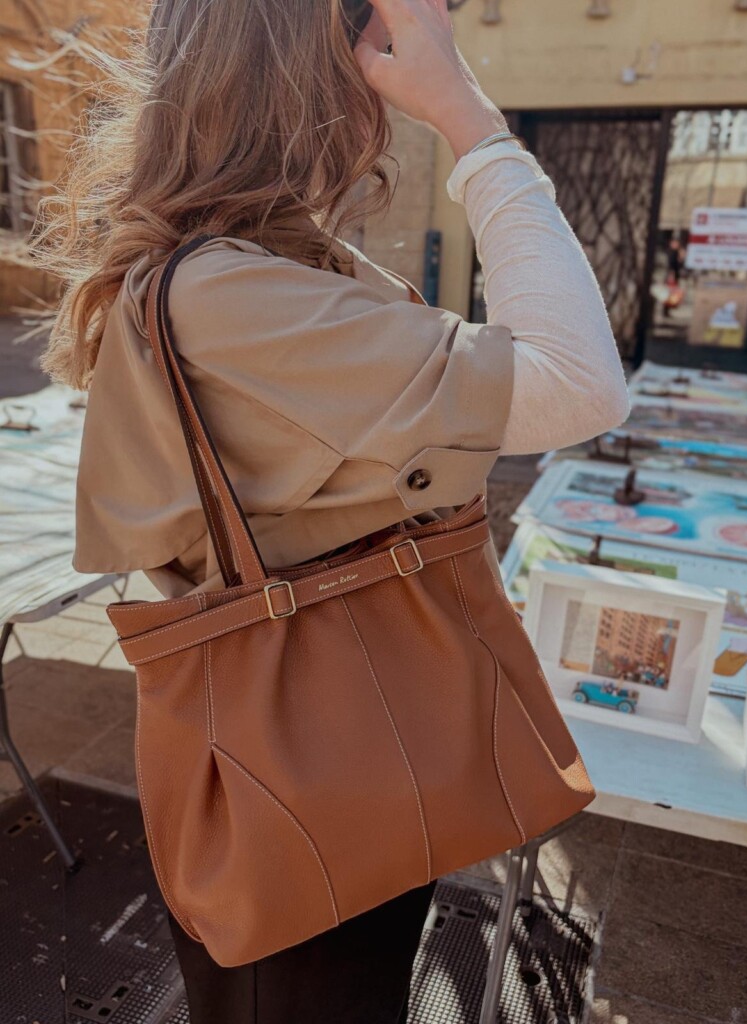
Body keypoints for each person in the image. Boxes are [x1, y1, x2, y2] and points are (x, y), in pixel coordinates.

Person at [32, 0, 630, 1020]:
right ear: (303, 86)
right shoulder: (231, 295)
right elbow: (580, 382)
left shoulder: (260, 269)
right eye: (368, 60)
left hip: (336, 789)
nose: (383, 95)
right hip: (309, 811)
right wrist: (471, 118)